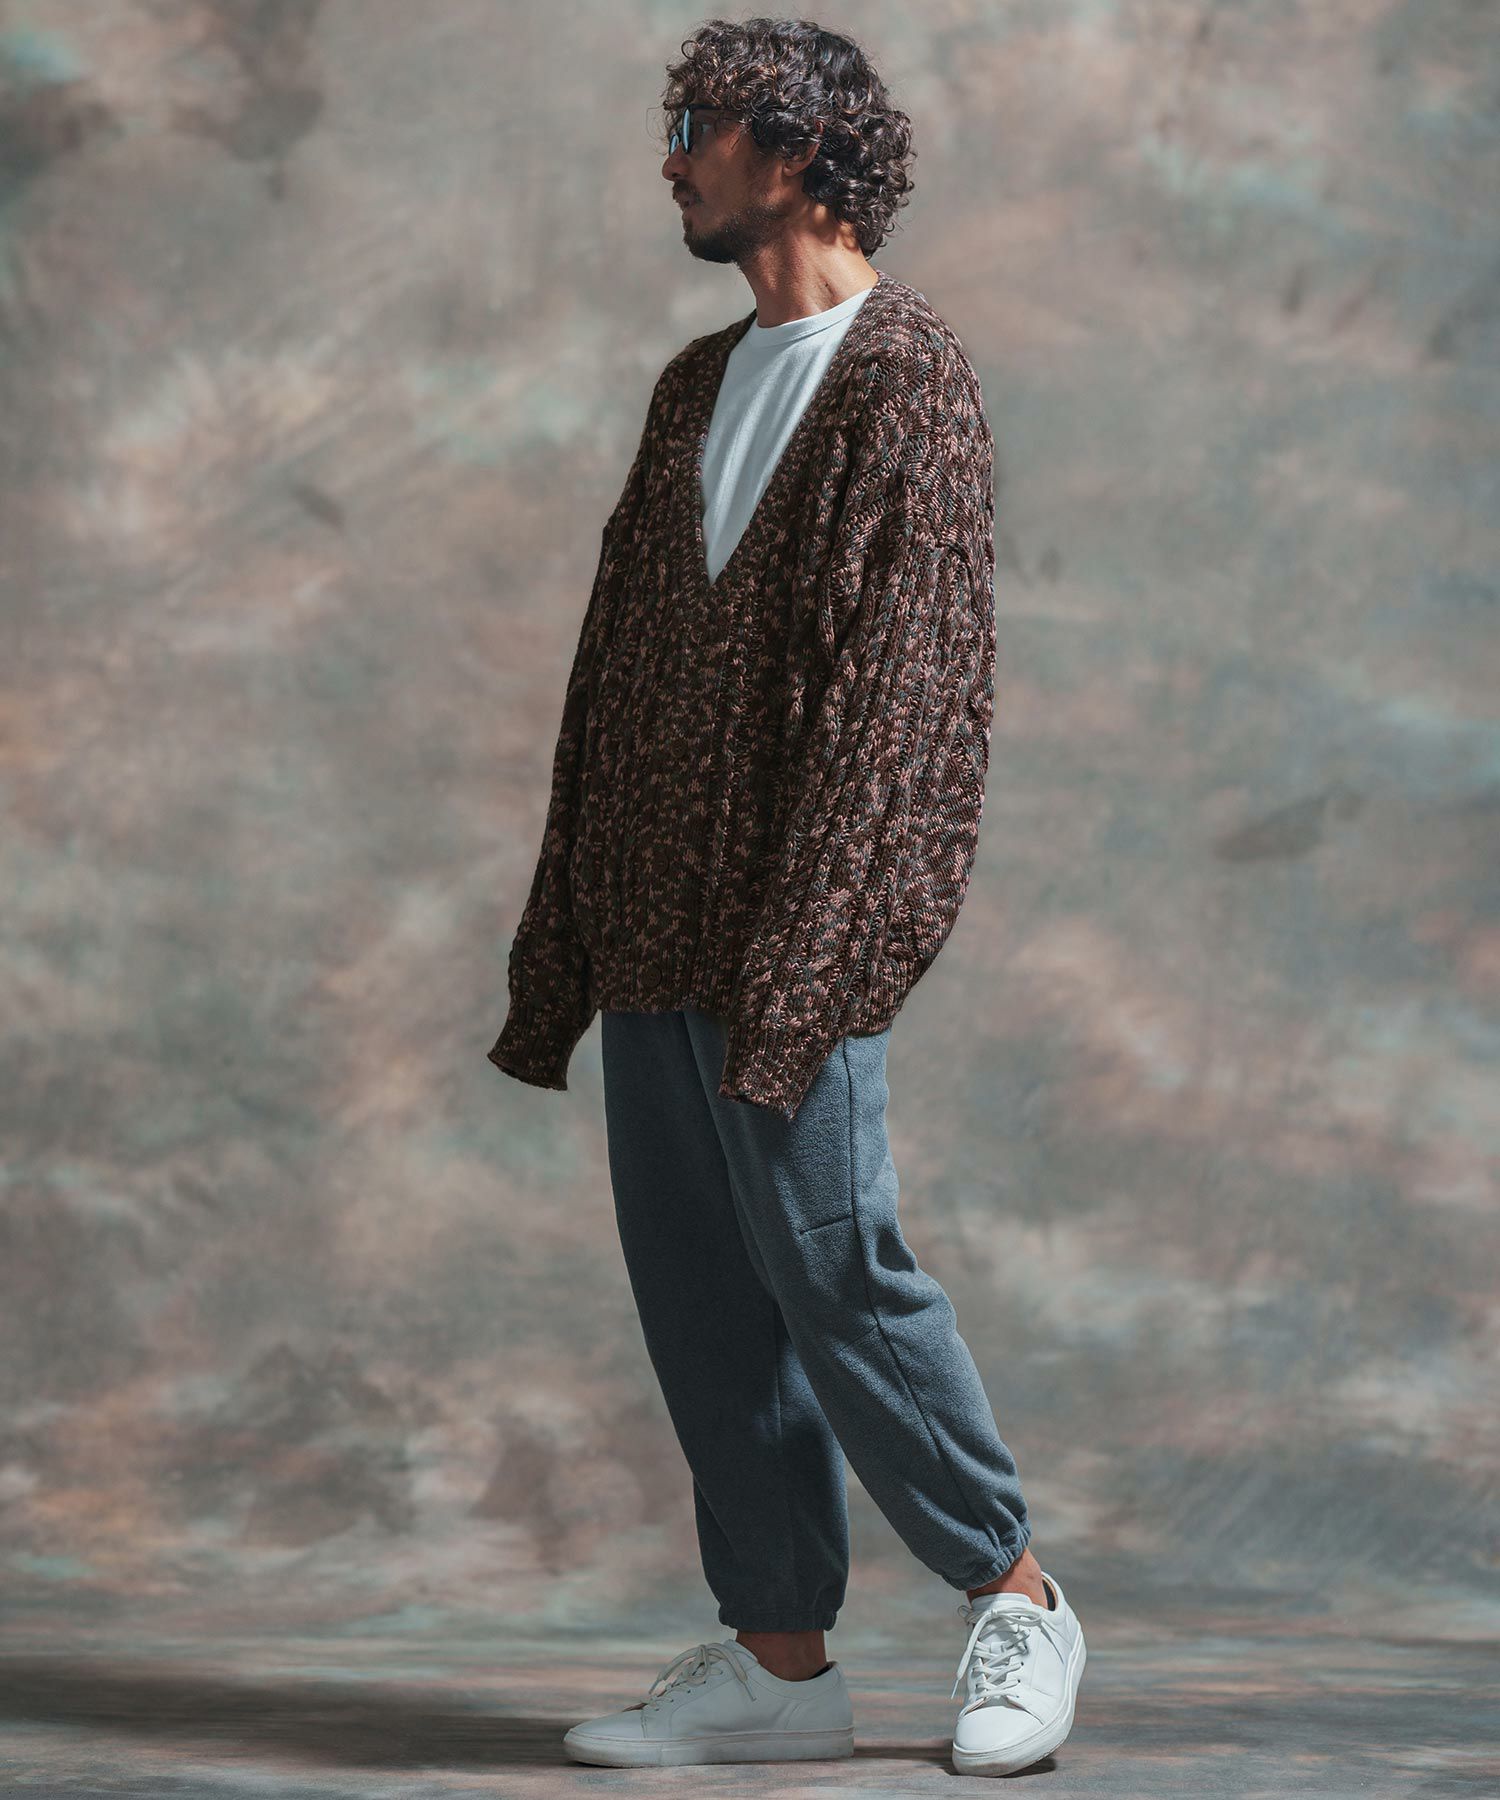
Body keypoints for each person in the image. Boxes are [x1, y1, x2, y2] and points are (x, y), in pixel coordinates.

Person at [487, 19, 1086, 1778]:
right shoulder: (695, 383)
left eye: (699, 124)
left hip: (791, 936)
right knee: (700, 1292)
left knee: (834, 1270)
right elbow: (616, 669)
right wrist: (573, 922)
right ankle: (781, 1662)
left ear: (804, 148)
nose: (670, 154)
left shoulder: (907, 378)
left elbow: (908, 705)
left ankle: (1018, 1597)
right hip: (651, 917)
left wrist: (814, 955)